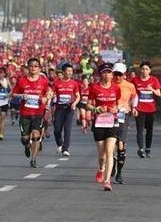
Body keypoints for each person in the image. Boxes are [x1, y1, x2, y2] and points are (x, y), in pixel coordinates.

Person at [11, 57, 51, 169]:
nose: (33, 68)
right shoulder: (22, 81)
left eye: (36, 66)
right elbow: (13, 95)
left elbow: (49, 93)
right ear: (28, 68)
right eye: (31, 66)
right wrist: (21, 96)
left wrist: (46, 99)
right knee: (25, 139)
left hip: (38, 113)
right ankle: (26, 145)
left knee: (36, 136)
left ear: (39, 68)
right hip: (25, 113)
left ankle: (33, 159)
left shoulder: (43, 81)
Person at [86, 62, 120, 192]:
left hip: (112, 122)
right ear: (101, 74)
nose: (107, 74)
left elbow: (118, 105)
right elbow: (88, 105)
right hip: (99, 122)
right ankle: (101, 168)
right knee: (102, 155)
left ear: (112, 74)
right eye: (105, 72)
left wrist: (114, 109)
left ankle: (107, 181)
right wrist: (96, 109)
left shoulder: (116, 88)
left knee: (110, 151)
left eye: (109, 72)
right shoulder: (94, 87)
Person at [112, 62, 137, 184]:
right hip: (108, 116)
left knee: (121, 145)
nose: (117, 77)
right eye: (115, 74)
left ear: (124, 75)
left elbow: (135, 97)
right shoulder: (108, 84)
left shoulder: (129, 86)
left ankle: (119, 173)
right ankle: (111, 161)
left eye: (120, 75)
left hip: (123, 115)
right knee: (110, 143)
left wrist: (134, 107)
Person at [131, 61, 161, 158]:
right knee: (139, 130)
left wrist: (151, 89)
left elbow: (159, 93)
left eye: (147, 69)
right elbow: (132, 94)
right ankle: (140, 149)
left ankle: (148, 149)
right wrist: (133, 107)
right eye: (143, 69)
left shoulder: (154, 80)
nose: (144, 71)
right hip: (139, 109)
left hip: (150, 109)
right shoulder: (135, 80)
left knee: (149, 130)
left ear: (150, 71)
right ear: (140, 70)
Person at [52, 63, 80, 157]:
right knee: (56, 130)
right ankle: (60, 143)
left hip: (69, 108)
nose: (69, 73)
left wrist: (74, 103)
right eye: (68, 71)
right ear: (63, 72)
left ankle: (65, 148)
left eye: (71, 71)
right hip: (59, 108)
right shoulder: (56, 82)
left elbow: (78, 96)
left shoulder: (74, 83)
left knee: (67, 129)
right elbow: (52, 93)